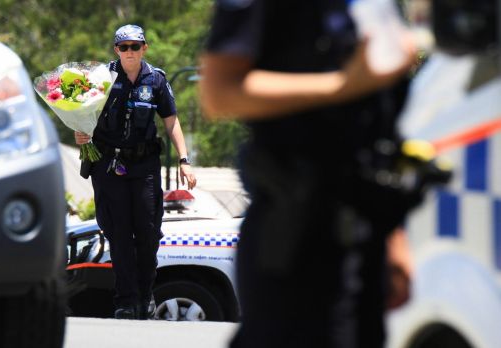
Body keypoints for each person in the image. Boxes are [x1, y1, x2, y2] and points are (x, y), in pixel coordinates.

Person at [199, 1, 417, 347]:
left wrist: (394, 236)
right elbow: (219, 92)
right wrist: (342, 85)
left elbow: (377, 120)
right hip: (297, 235)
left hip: (368, 228)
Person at [75, 24, 197, 320]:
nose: (129, 52)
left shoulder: (155, 80)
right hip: (108, 164)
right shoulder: (101, 78)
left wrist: (184, 159)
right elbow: (80, 113)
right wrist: (80, 134)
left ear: (144, 48)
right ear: (116, 50)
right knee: (118, 235)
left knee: (148, 234)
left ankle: (145, 295)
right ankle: (125, 301)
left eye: (135, 46)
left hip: (144, 167)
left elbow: (171, 121)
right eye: (123, 47)